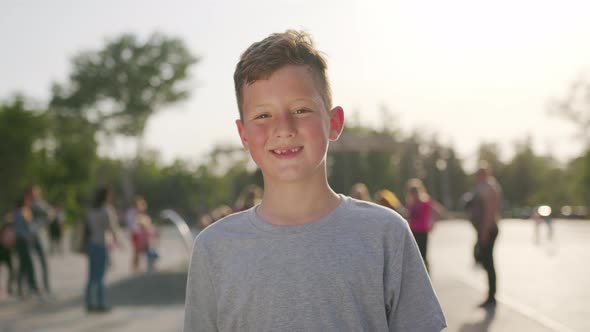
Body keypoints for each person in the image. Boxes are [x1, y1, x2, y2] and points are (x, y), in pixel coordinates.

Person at [183, 30, 446, 331]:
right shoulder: (214, 249)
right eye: (263, 115)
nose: (283, 127)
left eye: (300, 109)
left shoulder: (386, 234)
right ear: (243, 135)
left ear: (334, 123)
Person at [469, 161, 502, 308]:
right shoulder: (482, 187)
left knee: (488, 262)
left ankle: (491, 296)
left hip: (488, 229)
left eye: (478, 173)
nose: (476, 176)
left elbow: (489, 211)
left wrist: (484, 232)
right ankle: (490, 294)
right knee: (485, 260)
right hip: (484, 229)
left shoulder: (488, 187)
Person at [85, 186, 121, 313]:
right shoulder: (107, 210)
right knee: (100, 277)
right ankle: (100, 303)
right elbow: (111, 228)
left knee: (91, 276)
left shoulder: (90, 210)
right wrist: (119, 242)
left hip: (90, 244)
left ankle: (89, 302)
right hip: (101, 244)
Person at [404, 178, 444, 271]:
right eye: (412, 192)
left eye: (415, 191)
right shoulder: (410, 204)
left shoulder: (425, 202)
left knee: (423, 256)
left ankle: (426, 277)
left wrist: (432, 223)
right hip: (412, 232)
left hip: (422, 232)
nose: (414, 194)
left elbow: (439, 212)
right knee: (413, 256)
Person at [13, 191, 40, 298]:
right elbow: (27, 227)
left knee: (24, 265)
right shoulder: (23, 211)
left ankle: (23, 288)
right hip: (23, 241)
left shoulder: (20, 210)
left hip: (22, 241)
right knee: (26, 265)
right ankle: (29, 287)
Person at [28, 185, 52, 293]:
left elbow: (49, 215)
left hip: (39, 235)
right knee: (31, 262)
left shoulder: (41, 204)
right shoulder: (27, 205)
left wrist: (41, 224)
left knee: (43, 262)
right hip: (30, 236)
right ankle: (34, 286)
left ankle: (45, 286)